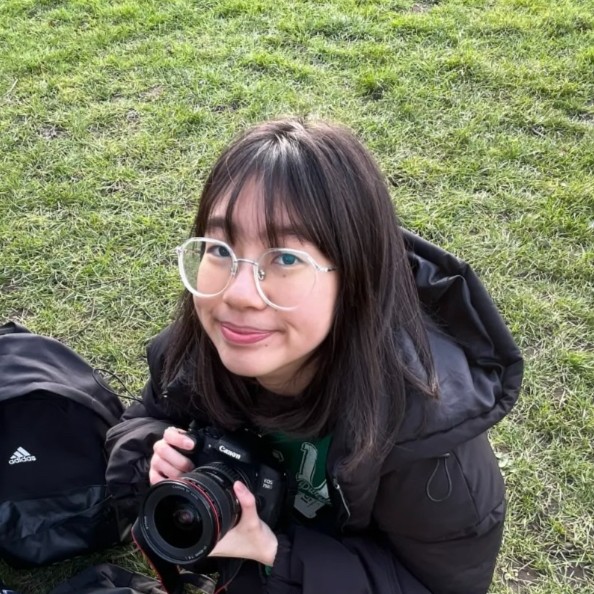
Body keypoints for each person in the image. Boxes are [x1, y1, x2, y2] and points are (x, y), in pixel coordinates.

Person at [106, 117, 523, 594]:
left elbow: (439, 588)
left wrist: (274, 553)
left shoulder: (425, 439)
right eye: (220, 248)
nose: (238, 294)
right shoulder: (204, 347)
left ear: (354, 280)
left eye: (285, 259)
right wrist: (154, 457)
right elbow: (141, 419)